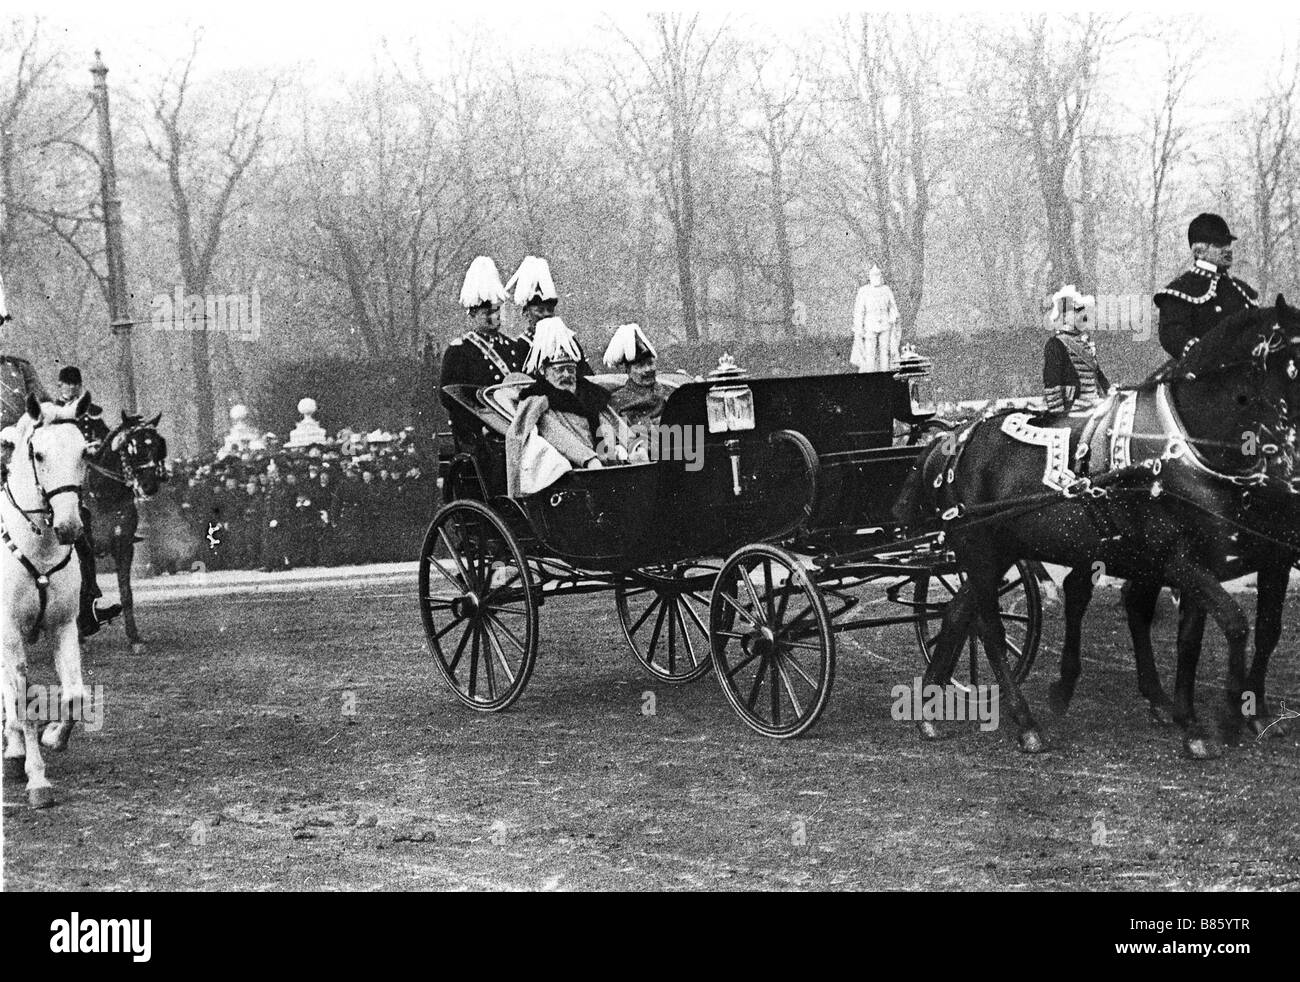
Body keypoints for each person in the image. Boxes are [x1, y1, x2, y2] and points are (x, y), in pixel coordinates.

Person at [506, 317, 618, 496]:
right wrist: (589, 459)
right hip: (574, 474)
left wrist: (637, 447)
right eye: (559, 369)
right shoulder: (539, 400)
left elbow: (614, 422)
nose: (567, 375)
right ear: (544, 371)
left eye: (570, 368)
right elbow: (558, 435)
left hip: (606, 465)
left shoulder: (588, 393)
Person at [438, 256, 529, 447]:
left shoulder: (513, 347)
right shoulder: (460, 351)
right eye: (487, 312)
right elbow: (451, 398)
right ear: (472, 313)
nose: (494, 316)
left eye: (497, 310)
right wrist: (482, 426)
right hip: (481, 431)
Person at [1155, 212, 1258, 360]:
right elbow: (1172, 334)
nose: (1228, 249)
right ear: (1199, 251)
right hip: (1204, 375)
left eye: (1228, 244)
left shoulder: (1243, 290)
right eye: (1219, 244)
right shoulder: (1179, 290)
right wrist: (1202, 355)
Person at [507, 255, 593, 375]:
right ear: (526, 313)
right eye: (540, 310)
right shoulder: (519, 348)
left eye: (550, 309)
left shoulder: (567, 342)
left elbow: (585, 376)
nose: (546, 314)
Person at [603, 323, 670, 461]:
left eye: (650, 363)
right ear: (627, 370)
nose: (647, 370)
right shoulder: (616, 401)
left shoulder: (667, 392)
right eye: (640, 366)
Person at [1042, 285, 1110, 414]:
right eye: (1076, 311)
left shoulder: (1085, 341)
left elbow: (1097, 375)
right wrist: (1058, 416)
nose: (1081, 316)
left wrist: (1110, 393)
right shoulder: (1056, 343)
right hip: (1074, 408)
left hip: (1095, 404)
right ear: (1064, 316)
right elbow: (1052, 383)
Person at [851, 263, 901, 372]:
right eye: (874, 275)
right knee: (869, 354)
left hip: (885, 324)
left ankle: (885, 376)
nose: (876, 277)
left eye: (878, 275)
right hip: (870, 324)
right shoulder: (864, 291)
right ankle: (870, 378)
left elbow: (893, 307)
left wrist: (893, 317)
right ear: (870, 277)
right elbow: (859, 312)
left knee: (885, 353)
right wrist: (859, 327)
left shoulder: (886, 290)